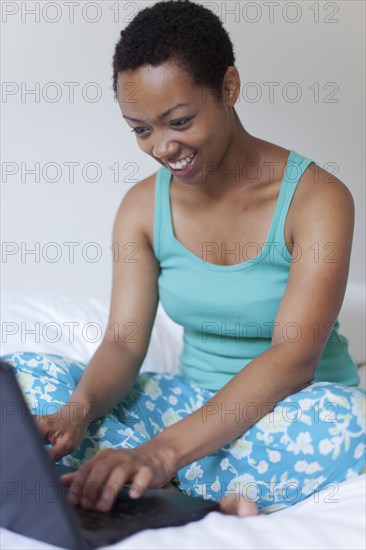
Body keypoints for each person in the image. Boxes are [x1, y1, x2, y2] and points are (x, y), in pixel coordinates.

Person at [2, 0, 365, 518]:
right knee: (27, 380)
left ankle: (158, 478)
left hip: (292, 413)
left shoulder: (317, 199)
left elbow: (294, 359)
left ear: (229, 87)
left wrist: (160, 451)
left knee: (351, 422)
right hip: (189, 403)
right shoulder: (140, 209)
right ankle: (208, 487)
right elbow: (124, 342)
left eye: (178, 121)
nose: (162, 147)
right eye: (140, 129)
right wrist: (76, 415)